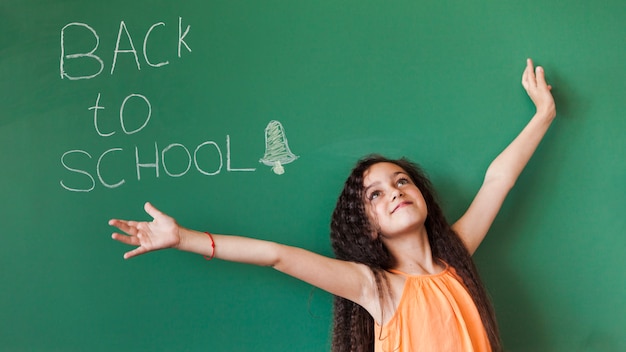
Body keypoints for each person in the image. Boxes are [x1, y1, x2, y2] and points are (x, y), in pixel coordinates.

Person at [110, 58, 556, 352]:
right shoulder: (374, 287)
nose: (395, 191)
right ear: (367, 227)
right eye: (376, 195)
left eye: (401, 181)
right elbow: (277, 257)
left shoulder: (457, 254)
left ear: (422, 195)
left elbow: (499, 179)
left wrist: (543, 116)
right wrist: (183, 238)